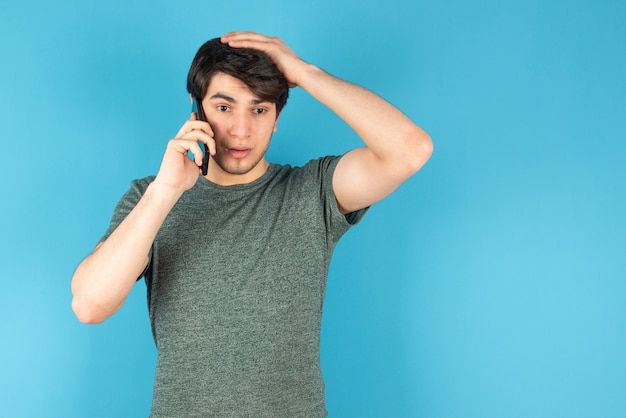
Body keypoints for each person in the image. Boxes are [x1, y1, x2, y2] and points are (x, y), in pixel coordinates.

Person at [71, 31, 433, 417]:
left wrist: (305, 73)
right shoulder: (152, 196)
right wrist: (166, 191)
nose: (241, 131)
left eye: (259, 110)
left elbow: (411, 150)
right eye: (224, 108)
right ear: (197, 110)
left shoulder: (312, 192)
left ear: (277, 117)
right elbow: (90, 305)